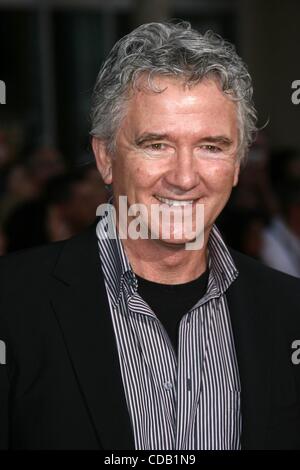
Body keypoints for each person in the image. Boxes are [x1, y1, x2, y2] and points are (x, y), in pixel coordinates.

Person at [0, 21, 300, 451]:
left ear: (237, 164)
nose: (183, 177)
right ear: (105, 158)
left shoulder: (289, 311)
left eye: (211, 146)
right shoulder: (11, 304)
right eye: (156, 144)